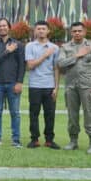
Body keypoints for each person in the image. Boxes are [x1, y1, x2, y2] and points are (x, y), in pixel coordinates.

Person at [57, 21, 91, 154]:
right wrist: (77, 55)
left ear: (84, 32)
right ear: (71, 32)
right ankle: (73, 141)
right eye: (74, 31)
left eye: (79, 31)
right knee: (72, 114)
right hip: (71, 86)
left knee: (90, 113)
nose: (77, 33)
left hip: (88, 86)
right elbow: (61, 63)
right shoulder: (65, 47)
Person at [0, 17, 25, 148]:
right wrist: (7, 51)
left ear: (9, 27)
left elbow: (22, 65)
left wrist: (19, 82)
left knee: (15, 112)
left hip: (13, 83)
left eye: (4, 25)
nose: (2, 28)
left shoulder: (18, 45)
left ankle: (16, 139)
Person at [24, 20, 60, 149]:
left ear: (48, 31)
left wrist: (56, 87)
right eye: (38, 28)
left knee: (50, 113)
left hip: (49, 85)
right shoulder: (30, 46)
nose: (41, 31)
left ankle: (49, 140)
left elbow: (56, 68)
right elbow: (30, 65)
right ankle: (34, 139)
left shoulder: (55, 48)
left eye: (43, 29)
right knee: (34, 113)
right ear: (35, 31)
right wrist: (45, 55)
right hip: (35, 85)